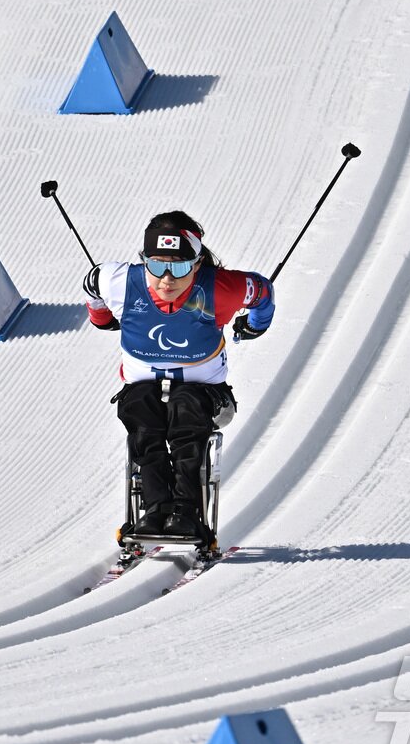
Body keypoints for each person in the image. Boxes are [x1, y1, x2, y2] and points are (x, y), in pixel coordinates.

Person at [83, 210, 275, 540]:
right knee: (141, 411)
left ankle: (186, 510)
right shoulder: (117, 282)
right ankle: (156, 509)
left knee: (185, 409)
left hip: (206, 395)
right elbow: (92, 286)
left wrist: (256, 325)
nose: (167, 280)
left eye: (180, 267)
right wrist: (101, 318)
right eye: (156, 266)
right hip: (143, 387)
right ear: (143, 261)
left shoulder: (220, 289)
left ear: (197, 264)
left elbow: (262, 291)